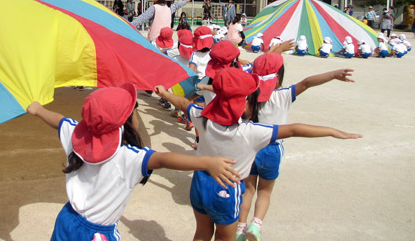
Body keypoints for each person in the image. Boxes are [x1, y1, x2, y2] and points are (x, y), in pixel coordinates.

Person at [154, 68, 361, 241]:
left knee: (201, 233)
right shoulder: (251, 133)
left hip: (200, 182)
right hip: (227, 187)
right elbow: (294, 129)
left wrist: (163, 93)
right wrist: (335, 132)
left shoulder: (201, 117)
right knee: (224, 238)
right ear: (243, 103)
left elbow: (182, 103)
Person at [26, 84, 241, 241]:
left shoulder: (76, 135)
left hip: (66, 220)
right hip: (97, 234)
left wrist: (37, 110)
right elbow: (164, 160)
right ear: (128, 122)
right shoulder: (127, 157)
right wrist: (207, 163)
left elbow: (59, 120)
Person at [236, 54, 356, 241]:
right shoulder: (283, 95)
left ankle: (240, 228)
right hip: (272, 149)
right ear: (278, 77)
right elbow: (307, 82)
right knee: (265, 191)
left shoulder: (247, 96)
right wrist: (333, 74)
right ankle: (255, 225)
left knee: (248, 189)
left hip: (251, 147)